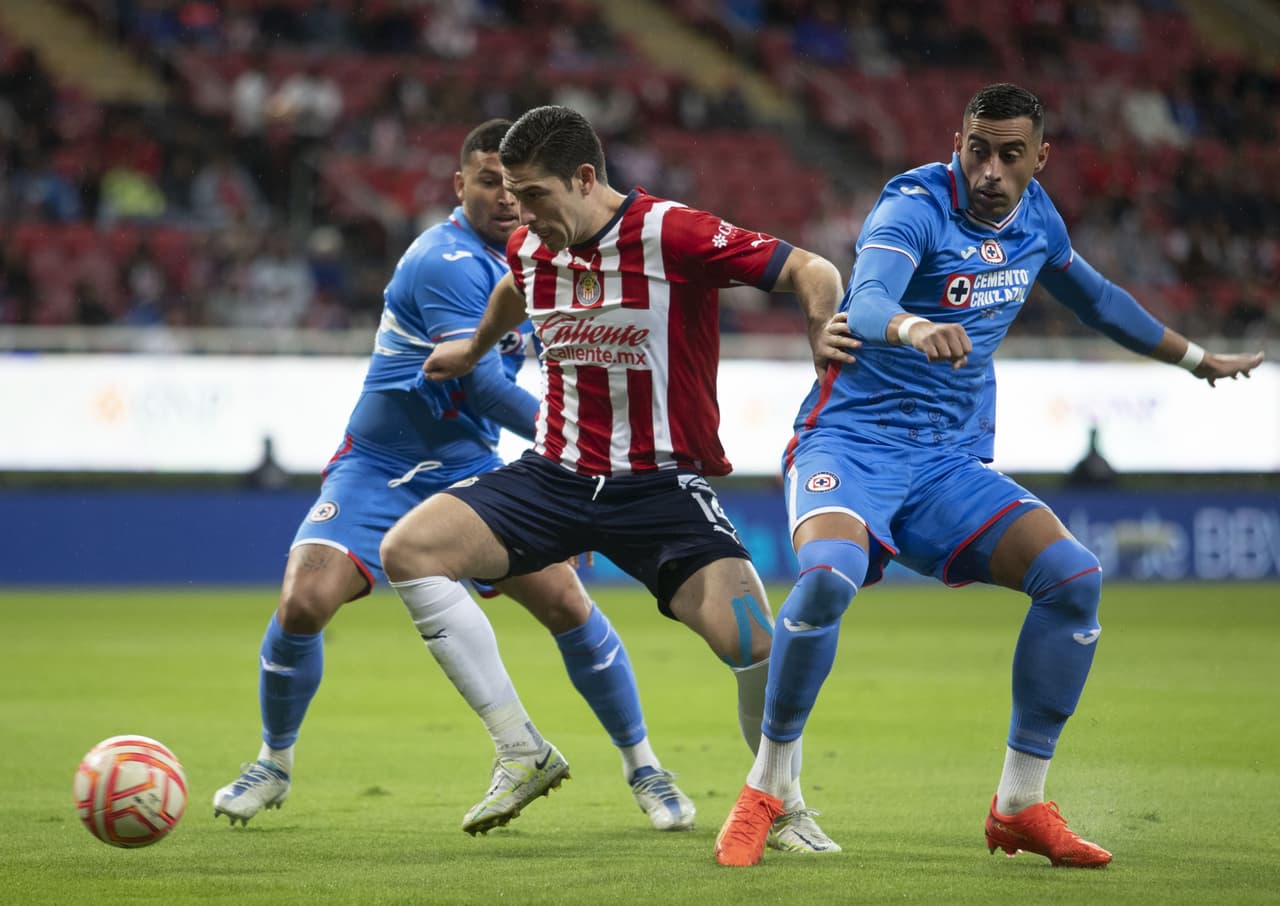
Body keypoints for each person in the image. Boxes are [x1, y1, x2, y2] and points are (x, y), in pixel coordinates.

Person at [714, 82, 1266, 868]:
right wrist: (912, 326)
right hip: (850, 444)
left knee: (1073, 577)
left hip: (947, 463)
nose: (991, 171)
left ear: (1041, 158)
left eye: (1012, 155)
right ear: (958, 142)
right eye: (979, 150)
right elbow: (864, 299)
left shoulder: (1038, 220)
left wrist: (1194, 358)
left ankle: (1018, 804)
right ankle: (766, 790)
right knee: (827, 579)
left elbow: (1099, 301)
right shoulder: (913, 204)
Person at [382, 105, 851, 855]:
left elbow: (810, 268)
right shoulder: (532, 247)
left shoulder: (670, 232)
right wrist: (474, 350)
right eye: (513, 195)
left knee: (757, 641)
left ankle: (784, 803)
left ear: (586, 177)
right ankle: (521, 751)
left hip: (659, 487)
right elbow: (514, 288)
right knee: (409, 550)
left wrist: (820, 325)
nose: (521, 215)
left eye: (535, 195)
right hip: (554, 476)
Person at [213, 119, 698, 836]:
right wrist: (587, 455)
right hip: (381, 467)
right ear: (458, 184)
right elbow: (484, 389)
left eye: (515, 184)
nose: (504, 197)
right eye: (487, 181)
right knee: (303, 603)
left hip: (468, 469)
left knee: (566, 603)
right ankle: (273, 762)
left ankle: (644, 767)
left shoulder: (539, 252)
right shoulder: (445, 260)